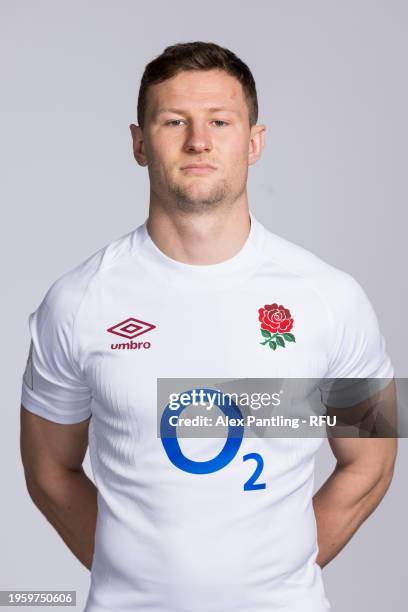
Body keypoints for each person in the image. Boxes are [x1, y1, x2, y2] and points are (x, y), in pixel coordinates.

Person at [20, 41, 397, 612]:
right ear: (139, 143)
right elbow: (48, 469)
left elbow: (373, 459)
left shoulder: (332, 298)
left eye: (220, 121)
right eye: (174, 121)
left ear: (254, 142)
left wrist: (279, 576)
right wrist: (137, 579)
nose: (199, 140)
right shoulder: (76, 301)